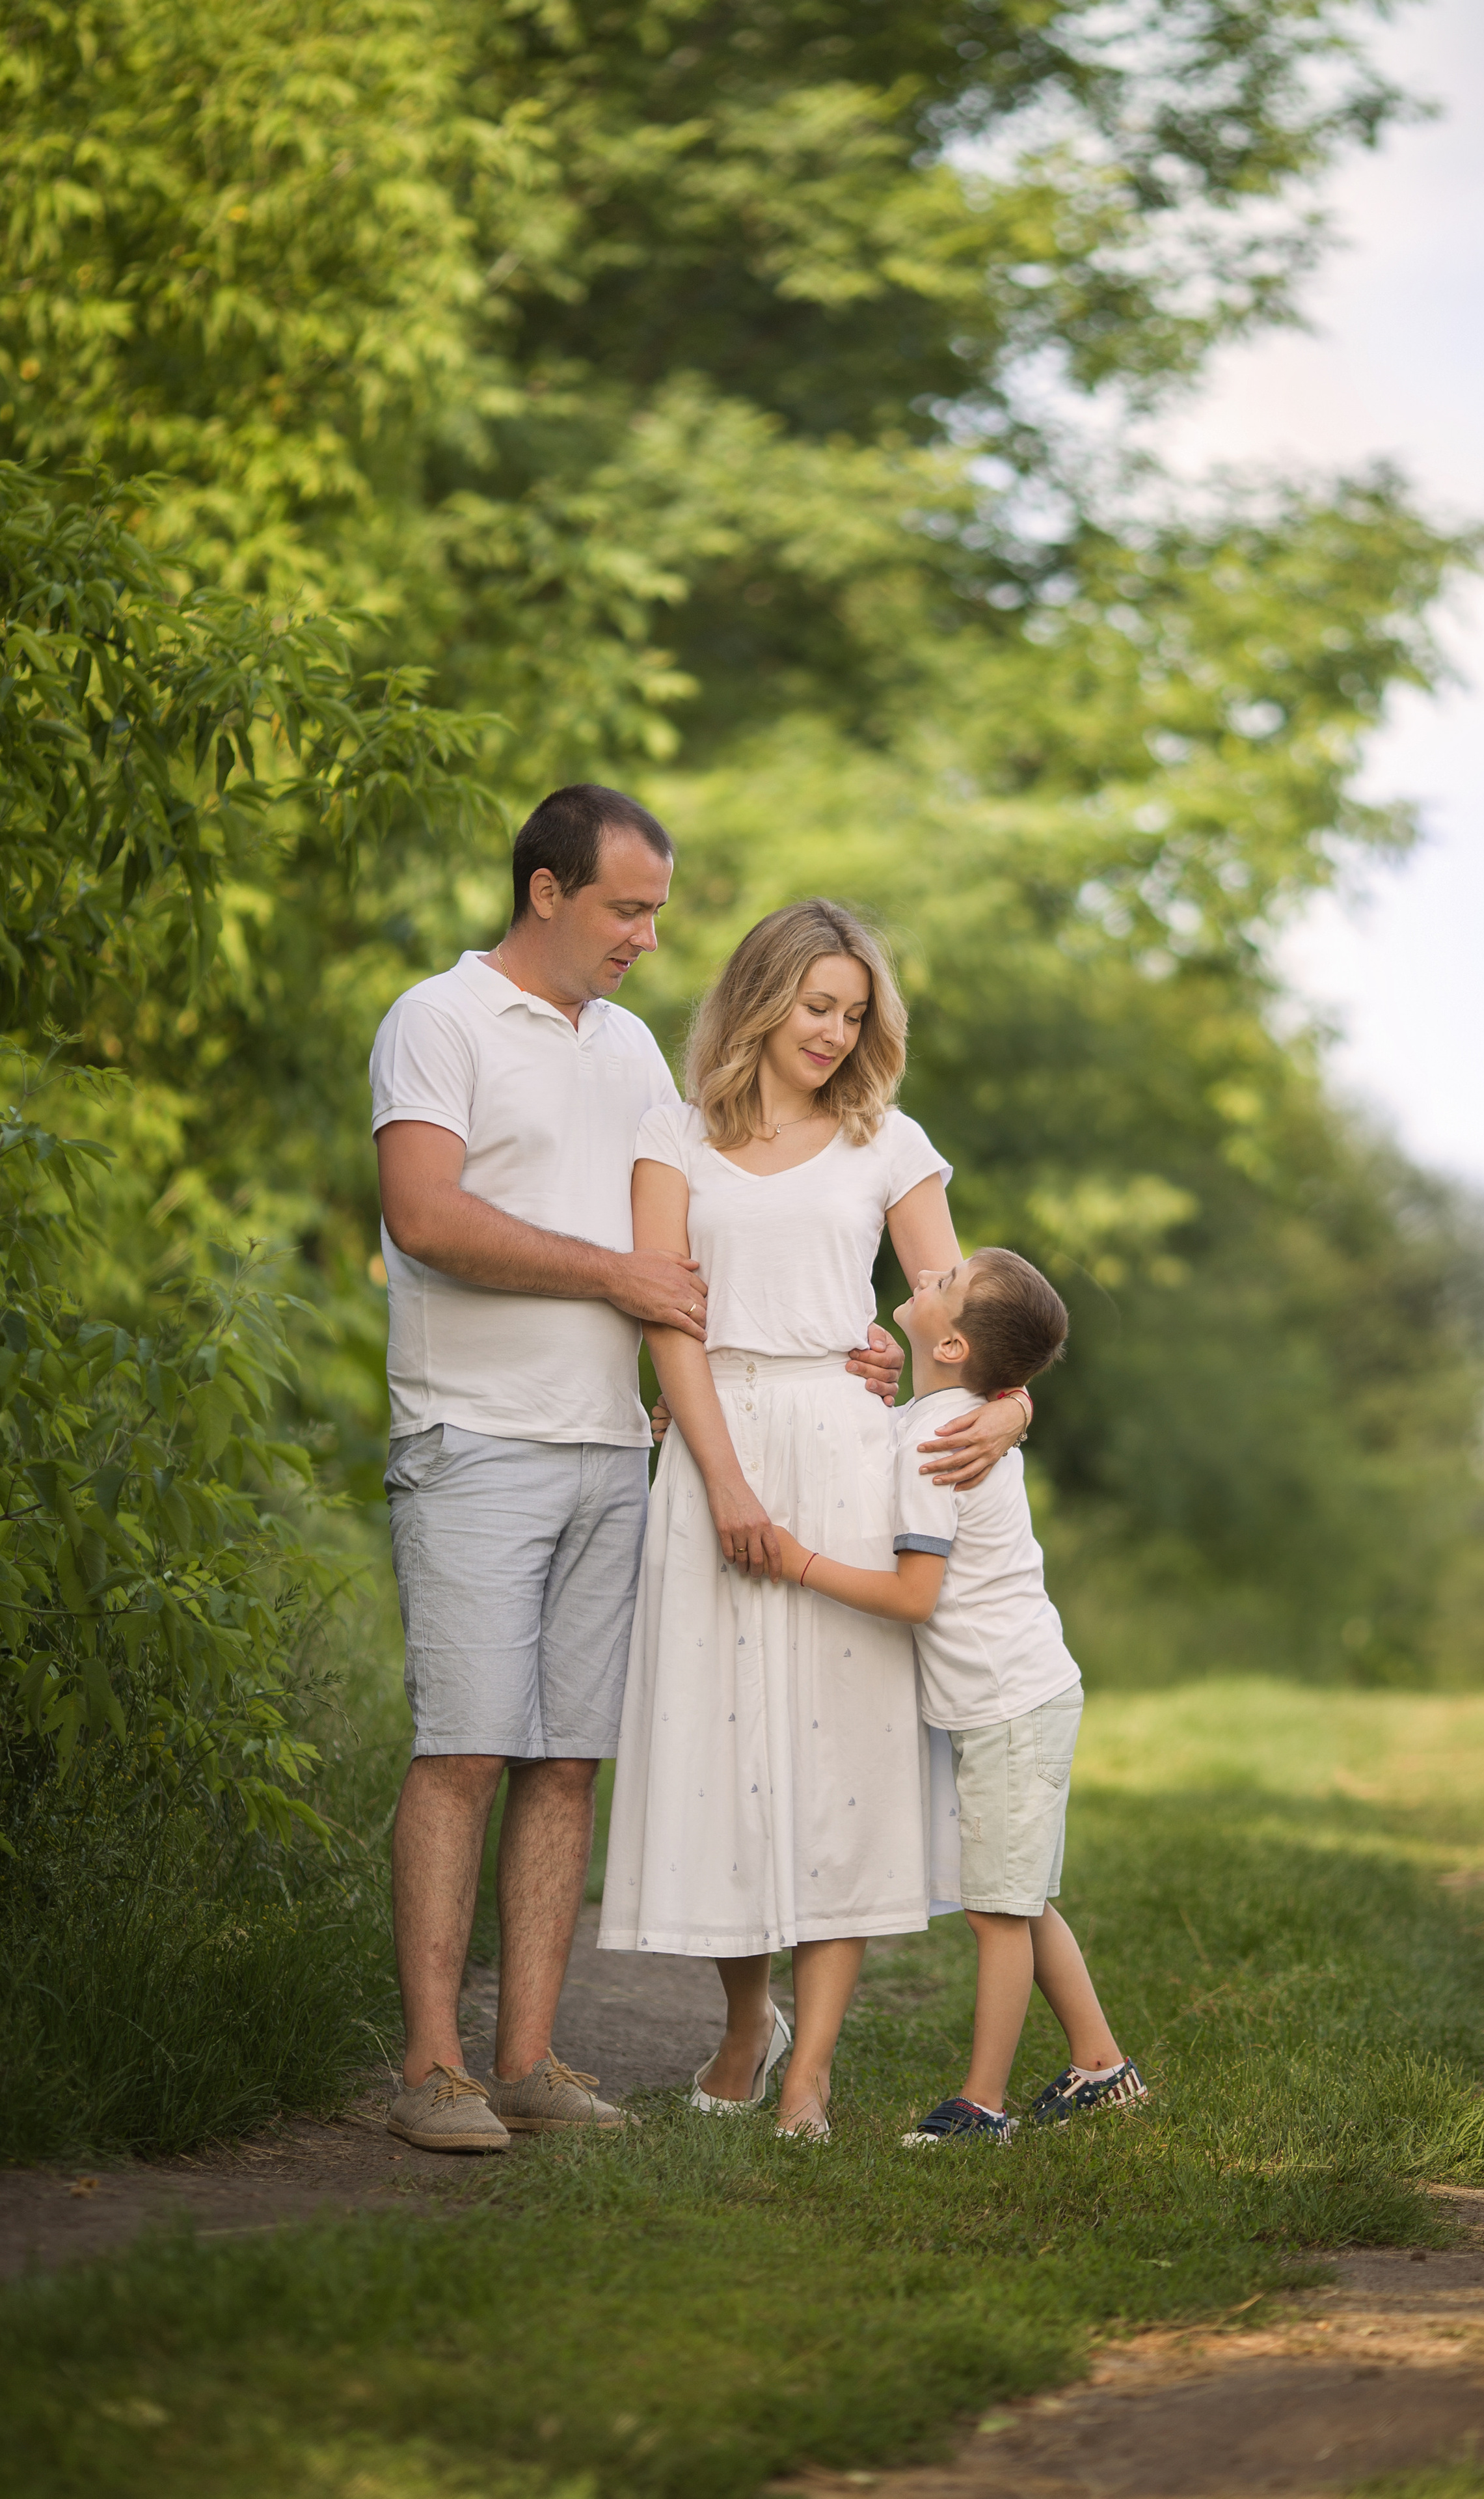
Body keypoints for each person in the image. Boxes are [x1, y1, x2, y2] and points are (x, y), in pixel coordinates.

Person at [370, 793, 930, 2153]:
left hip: (620, 1446)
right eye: (626, 908)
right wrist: (621, 1279)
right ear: (546, 891)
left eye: (658, 911)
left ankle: (530, 2062)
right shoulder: (435, 1021)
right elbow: (422, 1216)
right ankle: (431, 2066)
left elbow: (745, 1223)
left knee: (567, 1764)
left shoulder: (629, 1056)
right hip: (474, 1432)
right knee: (463, 1748)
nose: (646, 934)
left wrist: (862, 1343)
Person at [598, 901, 1031, 2138]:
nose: (837, 1034)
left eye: (856, 1014)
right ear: (760, 998)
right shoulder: (670, 1134)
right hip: (709, 1448)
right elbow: (668, 1319)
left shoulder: (888, 1142)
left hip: (843, 1455)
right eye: (817, 1007)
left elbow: (969, 1324)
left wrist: (999, 1409)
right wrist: (726, 1480)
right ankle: (748, 2022)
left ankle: (814, 2071)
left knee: (842, 1763)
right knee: (718, 1762)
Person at [774, 1246, 1148, 2144]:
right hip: (1010, 1695)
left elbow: (913, 1596)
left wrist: (799, 1564)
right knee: (1021, 1896)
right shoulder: (946, 1415)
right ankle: (1100, 2064)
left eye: (948, 1283)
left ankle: (982, 2105)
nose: (931, 1272)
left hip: (1011, 1701)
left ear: (951, 1349)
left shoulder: (944, 1440)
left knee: (998, 1910)